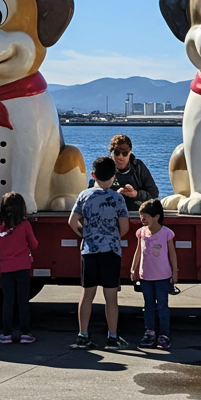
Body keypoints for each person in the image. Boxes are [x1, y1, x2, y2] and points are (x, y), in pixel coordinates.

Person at [68, 155, 130, 350]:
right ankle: (112, 337)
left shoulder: (84, 195)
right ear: (114, 176)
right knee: (111, 297)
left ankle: (82, 335)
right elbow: (125, 227)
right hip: (110, 251)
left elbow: (71, 221)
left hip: (89, 250)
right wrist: (111, 236)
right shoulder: (117, 198)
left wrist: (85, 233)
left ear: (93, 175)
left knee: (87, 295)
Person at [130, 199, 178, 349]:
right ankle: (149, 331)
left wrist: (174, 272)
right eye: (141, 217)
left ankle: (164, 334)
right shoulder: (141, 233)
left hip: (163, 276)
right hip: (146, 277)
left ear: (156, 216)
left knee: (163, 306)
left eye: (145, 217)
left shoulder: (166, 233)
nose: (142, 220)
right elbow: (138, 251)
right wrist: (134, 269)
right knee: (148, 305)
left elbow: (172, 254)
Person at [0, 192, 38, 344]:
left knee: (8, 301)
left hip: (6, 268)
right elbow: (34, 244)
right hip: (23, 266)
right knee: (23, 300)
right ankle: (26, 333)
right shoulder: (25, 225)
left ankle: (6, 334)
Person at [107, 134, 159, 211]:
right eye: (117, 152)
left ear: (130, 153)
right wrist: (115, 195)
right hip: (111, 212)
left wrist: (136, 194)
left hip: (137, 213)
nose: (120, 157)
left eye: (124, 153)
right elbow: (94, 193)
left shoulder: (138, 167)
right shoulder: (104, 166)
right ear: (111, 152)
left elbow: (154, 193)